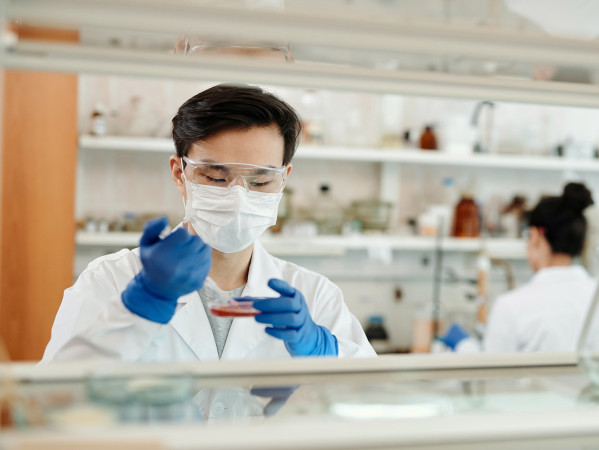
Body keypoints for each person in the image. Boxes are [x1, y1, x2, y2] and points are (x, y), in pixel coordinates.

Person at [43, 84, 375, 362]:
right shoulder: (111, 280)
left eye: (259, 182)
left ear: (284, 179)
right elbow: (50, 401)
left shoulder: (315, 297)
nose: (238, 197)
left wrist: (324, 350)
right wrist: (141, 307)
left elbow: (375, 403)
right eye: (217, 177)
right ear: (179, 172)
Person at [441, 182, 597, 353]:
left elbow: (492, 373)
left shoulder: (511, 306)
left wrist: (464, 345)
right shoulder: (594, 297)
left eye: (528, 236)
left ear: (536, 236)